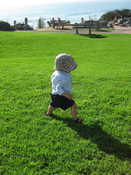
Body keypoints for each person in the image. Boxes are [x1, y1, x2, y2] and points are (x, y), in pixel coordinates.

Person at [46, 53, 83, 122]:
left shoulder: (58, 72)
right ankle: (75, 119)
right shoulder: (60, 76)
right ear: (64, 66)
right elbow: (58, 89)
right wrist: (67, 95)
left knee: (53, 104)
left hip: (55, 95)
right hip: (61, 96)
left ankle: (49, 113)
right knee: (73, 105)